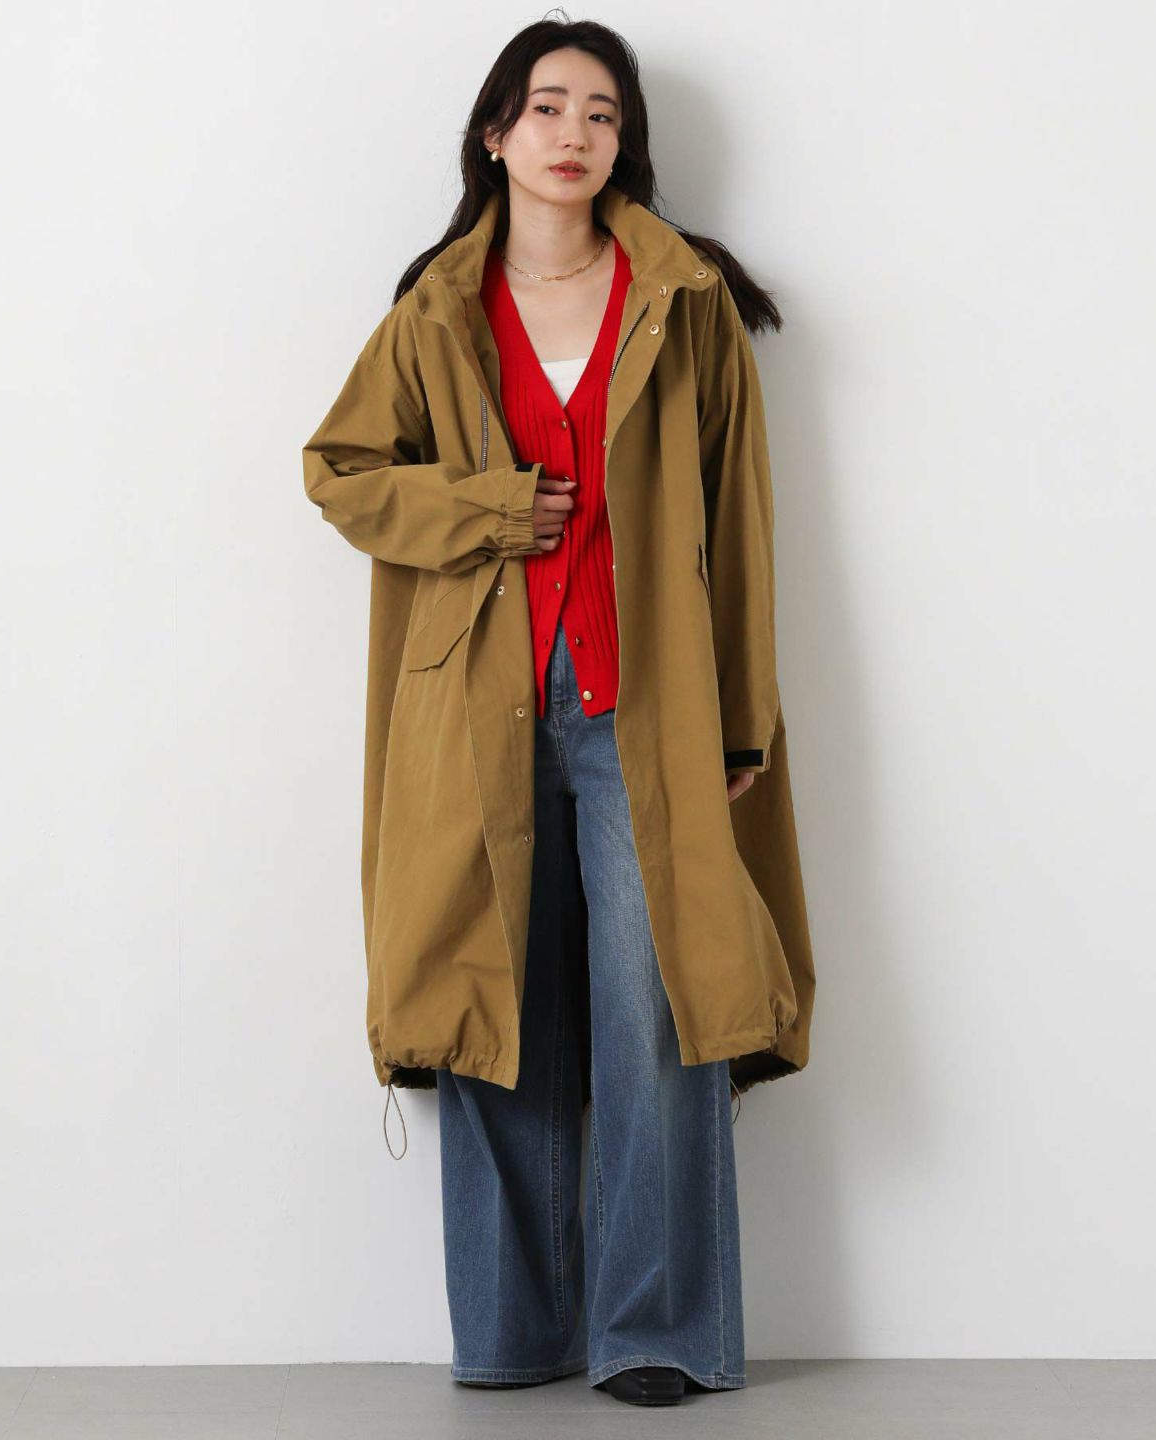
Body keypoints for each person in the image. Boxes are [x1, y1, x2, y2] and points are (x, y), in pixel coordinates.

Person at [302, 15, 816, 1410]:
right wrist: (482, 509)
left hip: (649, 715)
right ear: (496, 134)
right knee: (496, 1012)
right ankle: (513, 1333)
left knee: (658, 1010)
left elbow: (740, 525)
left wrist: (741, 725)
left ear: (624, 142)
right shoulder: (434, 313)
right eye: (546, 107)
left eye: (601, 112)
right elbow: (341, 471)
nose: (573, 133)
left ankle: (657, 1332)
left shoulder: (684, 305)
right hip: (476, 717)